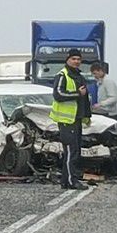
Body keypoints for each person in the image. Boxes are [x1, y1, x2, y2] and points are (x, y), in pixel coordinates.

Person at [50, 48, 91, 191]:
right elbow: (58, 94)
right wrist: (76, 94)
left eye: (78, 59)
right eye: (74, 59)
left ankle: (66, 181)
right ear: (67, 60)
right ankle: (71, 181)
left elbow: (84, 98)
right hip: (67, 121)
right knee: (71, 151)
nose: (77, 61)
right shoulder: (62, 75)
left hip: (76, 119)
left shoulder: (79, 76)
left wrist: (86, 115)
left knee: (75, 151)